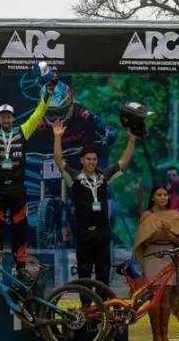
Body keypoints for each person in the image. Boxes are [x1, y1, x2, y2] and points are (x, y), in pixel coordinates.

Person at [0, 72, 54, 275]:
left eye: (9, 116)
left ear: (13, 118)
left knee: (20, 230)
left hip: (17, 190)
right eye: (3, 116)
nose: (6, 119)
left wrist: (48, 94)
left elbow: (38, 114)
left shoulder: (23, 130)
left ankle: (21, 266)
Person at [52, 119, 135, 289]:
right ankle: (86, 307)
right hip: (83, 234)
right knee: (84, 272)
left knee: (103, 272)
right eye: (88, 159)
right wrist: (57, 137)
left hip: (103, 233)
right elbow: (59, 161)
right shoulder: (74, 177)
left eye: (94, 159)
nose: (92, 162)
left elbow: (122, 162)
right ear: (82, 160)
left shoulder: (104, 176)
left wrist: (131, 141)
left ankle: (102, 307)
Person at [133, 186, 179, 341]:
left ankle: (165, 335)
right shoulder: (147, 215)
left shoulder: (174, 215)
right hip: (153, 256)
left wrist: (168, 233)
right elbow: (144, 240)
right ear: (153, 198)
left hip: (169, 256)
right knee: (155, 298)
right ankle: (156, 336)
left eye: (165, 194)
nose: (163, 197)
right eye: (159, 195)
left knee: (167, 298)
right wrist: (158, 233)